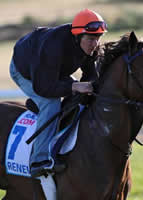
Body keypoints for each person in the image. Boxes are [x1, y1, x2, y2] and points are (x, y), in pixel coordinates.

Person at [9, 8, 107, 177]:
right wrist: (74, 87)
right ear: (77, 37)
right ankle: (38, 161)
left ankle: (41, 112)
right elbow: (43, 87)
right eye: (91, 39)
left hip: (52, 70)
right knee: (50, 102)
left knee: (80, 92)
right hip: (25, 70)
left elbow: (91, 76)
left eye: (98, 38)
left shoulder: (91, 47)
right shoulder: (54, 46)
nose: (95, 44)